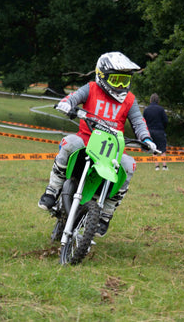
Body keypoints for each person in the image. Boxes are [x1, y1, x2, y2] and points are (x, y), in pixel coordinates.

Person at [38, 52, 157, 237]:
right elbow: (72, 98)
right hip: (86, 140)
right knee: (69, 142)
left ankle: (106, 214)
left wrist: (147, 140)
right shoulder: (91, 88)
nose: (120, 86)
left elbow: (138, 122)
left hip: (112, 151)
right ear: (102, 75)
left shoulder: (130, 100)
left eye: (124, 81)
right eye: (116, 80)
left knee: (129, 165)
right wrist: (66, 104)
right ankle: (52, 190)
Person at [143, 93, 168, 170]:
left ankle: (157, 166)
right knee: (162, 149)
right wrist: (163, 128)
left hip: (149, 131)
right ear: (158, 101)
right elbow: (166, 121)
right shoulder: (161, 109)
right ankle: (164, 166)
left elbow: (143, 121)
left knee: (154, 149)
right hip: (159, 131)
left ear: (150, 100)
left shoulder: (146, 110)